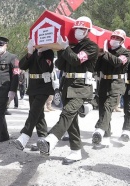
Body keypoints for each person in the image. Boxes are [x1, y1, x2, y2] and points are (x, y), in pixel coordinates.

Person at [36, 16, 99, 164]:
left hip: (81, 86)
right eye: (76, 28)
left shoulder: (91, 47)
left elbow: (76, 60)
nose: (78, 31)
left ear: (88, 31)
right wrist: (60, 48)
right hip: (67, 85)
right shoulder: (72, 46)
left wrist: (65, 48)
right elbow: (62, 65)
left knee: (67, 113)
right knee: (72, 120)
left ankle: (51, 140)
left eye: (82, 29)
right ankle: (76, 151)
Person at [91, 29, 130, 147]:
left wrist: (105, 52)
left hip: (117, 83)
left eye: (118, 38)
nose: (115, 40)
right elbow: (96, 68)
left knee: (108, 107)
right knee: (102, 110)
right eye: (113, 37)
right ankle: (106, 137)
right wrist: (98, 55)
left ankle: (99, 129)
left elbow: (117, 62)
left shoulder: (126, 53)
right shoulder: (105, 52)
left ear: (122, 40)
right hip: (104, 82)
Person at [11, 41, 54, 151]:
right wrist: (30, 53)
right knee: (39, 114)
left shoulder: (48, 52)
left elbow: (44, 67)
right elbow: (22, 66)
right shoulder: (33, 53)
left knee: (34, 111)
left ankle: (24, 136)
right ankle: (42, 139)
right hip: (33, 86)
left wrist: (40, 53)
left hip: (44, 86)